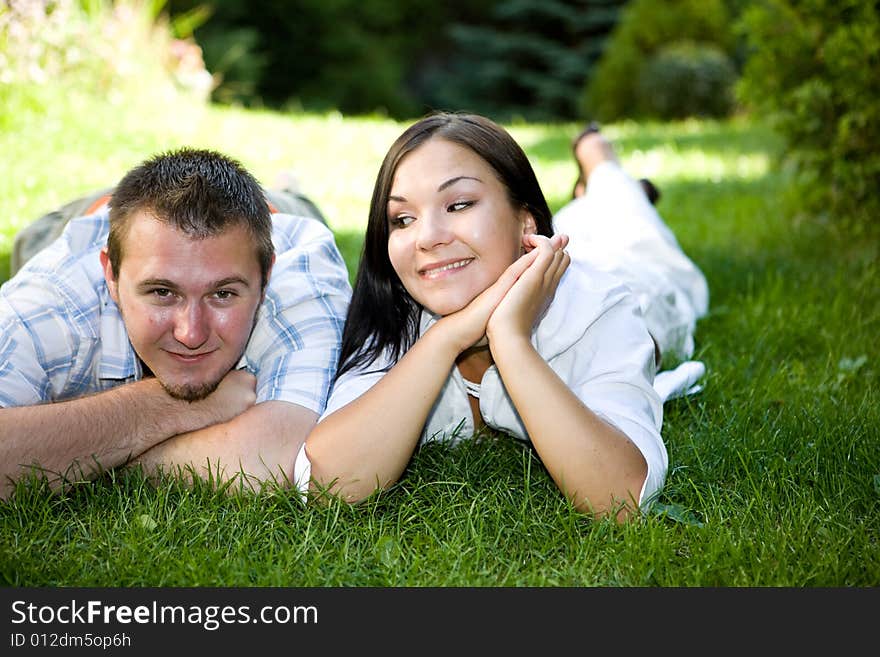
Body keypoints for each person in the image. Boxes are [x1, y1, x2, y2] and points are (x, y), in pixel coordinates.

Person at [299, 112, 708, 522]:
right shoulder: (392, 313)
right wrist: (447, 338)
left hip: (635, 273)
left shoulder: (601, 304)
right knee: (587, 214)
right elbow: (330, 485)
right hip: (529, 250)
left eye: (458, 205)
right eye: (403, 219)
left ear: (525, 219)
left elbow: (619, 500)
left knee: (621, 213)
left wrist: (510, 341)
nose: (427, 237)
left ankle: (599, 160)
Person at [0, 147, 352, 499]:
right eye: (162, 292)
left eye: (223, 295)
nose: (191, 333)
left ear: (265, 276)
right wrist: (157, 410)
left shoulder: (299, 273)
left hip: (276, 211)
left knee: (294, 202)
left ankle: (288, 189)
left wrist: (75, 454)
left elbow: (274, 459)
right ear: (110, 274)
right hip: (89, 215)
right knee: (32, 240)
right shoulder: (52, 304)